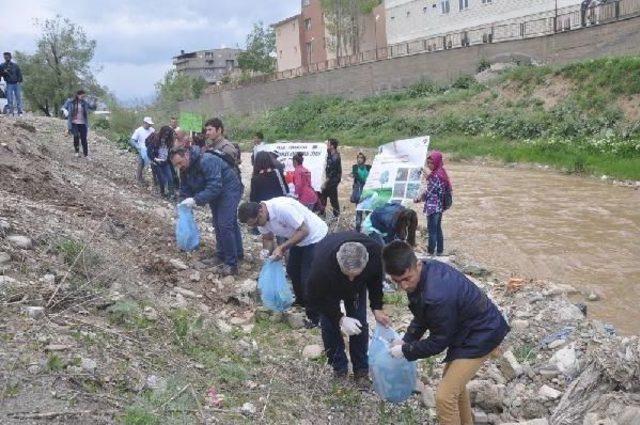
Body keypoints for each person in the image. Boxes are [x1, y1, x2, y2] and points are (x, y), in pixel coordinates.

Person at [382, 241, 509, 425]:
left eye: (406, 279)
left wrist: (406, 351)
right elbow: (422, 314)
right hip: (464, 328)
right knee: (453, 387)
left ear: (417, 265)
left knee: (444, 396)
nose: (403, 286)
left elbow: (438, 343)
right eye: (396, 281)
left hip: (483, 332)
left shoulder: (437, 295)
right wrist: (407, 339)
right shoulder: (423, 273)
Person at [306, 231, 389, 381]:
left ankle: (361, 370)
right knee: (329, 324)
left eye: (355, 274)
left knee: (359, 323)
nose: (351, 278)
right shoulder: (321, 267)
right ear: (339, 262)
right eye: (347, 274)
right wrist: (340, 318)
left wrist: (377, 307)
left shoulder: (376, 254)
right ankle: (339, 368)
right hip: (330, 285)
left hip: (358, 288)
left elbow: (376, 281)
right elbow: (316, 298)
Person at [238, 197, 328, 326]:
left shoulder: (283, 209)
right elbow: (268, 238)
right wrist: (266, 253)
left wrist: (282, 247)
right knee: (292, 270)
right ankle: (302, 301)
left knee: (308, 278)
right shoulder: (260, 219)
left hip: (315, 237)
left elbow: (304, 230)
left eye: (256, 223)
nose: (257, 226)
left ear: (261, 212)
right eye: (253, 225)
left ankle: (315, 317)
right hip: (297, 239)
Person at [172, 145, 243, 276]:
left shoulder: (207, 160)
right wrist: (182, 203)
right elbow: (185, 188)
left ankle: (231, 264)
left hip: (229, 189)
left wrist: (196, 200)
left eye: (179, 163)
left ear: (186, 155)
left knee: (225, 224)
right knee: (218, 223)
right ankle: (225, 254)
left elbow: (215, 186)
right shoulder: (185, 169)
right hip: (214, 193)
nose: (179, 167)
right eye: (176, 165)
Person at [414, 151, 451, 256]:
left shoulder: (435, 176)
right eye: (428, 163)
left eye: (431, 163)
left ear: (437, 162)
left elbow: (428, 193)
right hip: (439, 207)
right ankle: (440, 251)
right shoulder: (441, 173)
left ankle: (430, 252)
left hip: (432, 208)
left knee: (432, 231)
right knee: (438, 229)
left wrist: (418, 199)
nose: (429, 165)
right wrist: (427, 176)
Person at [62, 90, 97, 158]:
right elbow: (63, 107)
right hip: (74, 123)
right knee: (76, 136)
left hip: (83, 123)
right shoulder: (70, 101)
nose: (83, 97)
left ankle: (86, 154)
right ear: (78, 95)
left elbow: (92, 108)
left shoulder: (85, 103)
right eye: (82, 96)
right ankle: (77, 152)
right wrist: (65, 111)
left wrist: (95, 101)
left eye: (84, 96)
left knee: (84, 139)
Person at [146, 126, 175, 198]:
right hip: (157, 163)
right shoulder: (155, 140)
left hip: (165, 162)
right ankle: (162, 193)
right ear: (162, 132)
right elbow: (149, 151)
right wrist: (154, 159)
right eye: (165, 134)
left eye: (168, 134)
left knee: (170, 178)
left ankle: (171, 194)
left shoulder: (169, 141)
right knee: (162, 179)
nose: (166, 135)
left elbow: (169, 151)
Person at [320, 138, 342, 218]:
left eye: (328, 144)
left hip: (332, 182)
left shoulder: (336, 157)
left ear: (332, 146)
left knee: (333, 200)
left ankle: (336, 217)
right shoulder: (329, 153)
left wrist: (325, 183)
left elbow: (332, 173)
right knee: (323, 198)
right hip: (328, 181)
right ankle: (322, 214)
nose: (327, 145)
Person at [129, 117, 155, 185]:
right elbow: (132, 140)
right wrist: (138, 146)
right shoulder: (138, 130)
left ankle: (155, 180)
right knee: (141, 163)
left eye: (150, 124)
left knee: (153, 164)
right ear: (145, 123)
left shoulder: (152, 130)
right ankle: (139, 178)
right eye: (148, 124)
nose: (149, 125)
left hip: (151, 149)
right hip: (142, 149)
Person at [351, 152, 371, 231]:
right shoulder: (355, 167)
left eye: (361, 158)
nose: (359, 159)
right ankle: (358, 229)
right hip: (359, 192)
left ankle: (369, 229)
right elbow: (358, 178)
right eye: (358, 157)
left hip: (367, 192)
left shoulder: (369, 167)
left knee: (367, 212)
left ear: (364, 159)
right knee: (359, 211)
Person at [0, 52, 23, 116]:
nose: (6, 57)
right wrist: (4, 72)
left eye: (7, 56)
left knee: (18, 98)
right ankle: (11, 112)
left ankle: (20, 112)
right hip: (9, 83)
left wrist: (19, 81)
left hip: (16, 83)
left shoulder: (15, 65)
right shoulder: (2, 66)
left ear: (10, 57)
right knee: (10, 98)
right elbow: (0, 74)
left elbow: (19, 73)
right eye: (5, 56)